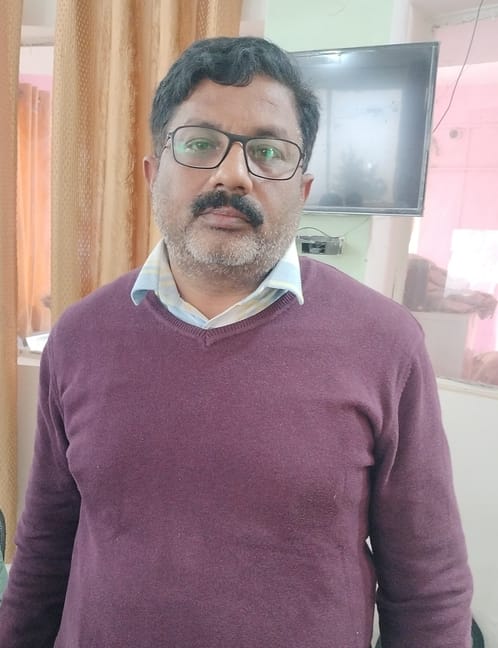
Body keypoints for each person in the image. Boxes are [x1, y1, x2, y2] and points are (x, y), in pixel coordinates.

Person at [0, 36, 473, 647]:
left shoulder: (385, 343)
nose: (233, 174)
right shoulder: (80, 336)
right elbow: (43, 550)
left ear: (303, 190)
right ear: (153, 173)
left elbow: (428, 586)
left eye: (268, 152)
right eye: (200, 144)